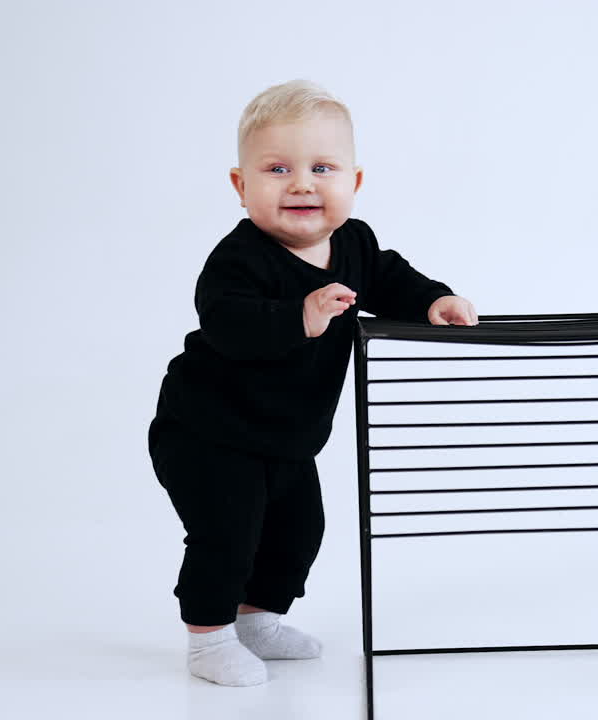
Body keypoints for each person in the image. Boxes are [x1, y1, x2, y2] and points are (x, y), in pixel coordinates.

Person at [146, 79, 479, 687]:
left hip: (288, 436)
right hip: (207, 430)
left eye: (322, 167)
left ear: (353, 182)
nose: (301, 183)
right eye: (277, 169)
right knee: (227, 531)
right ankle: (209, 639)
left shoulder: (355, 244)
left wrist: (434, 299)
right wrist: (302, 315)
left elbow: (391, 278)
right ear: (241, 187)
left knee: (299, 531)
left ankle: (256, 620)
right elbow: (228, 323)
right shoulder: (238, 260)